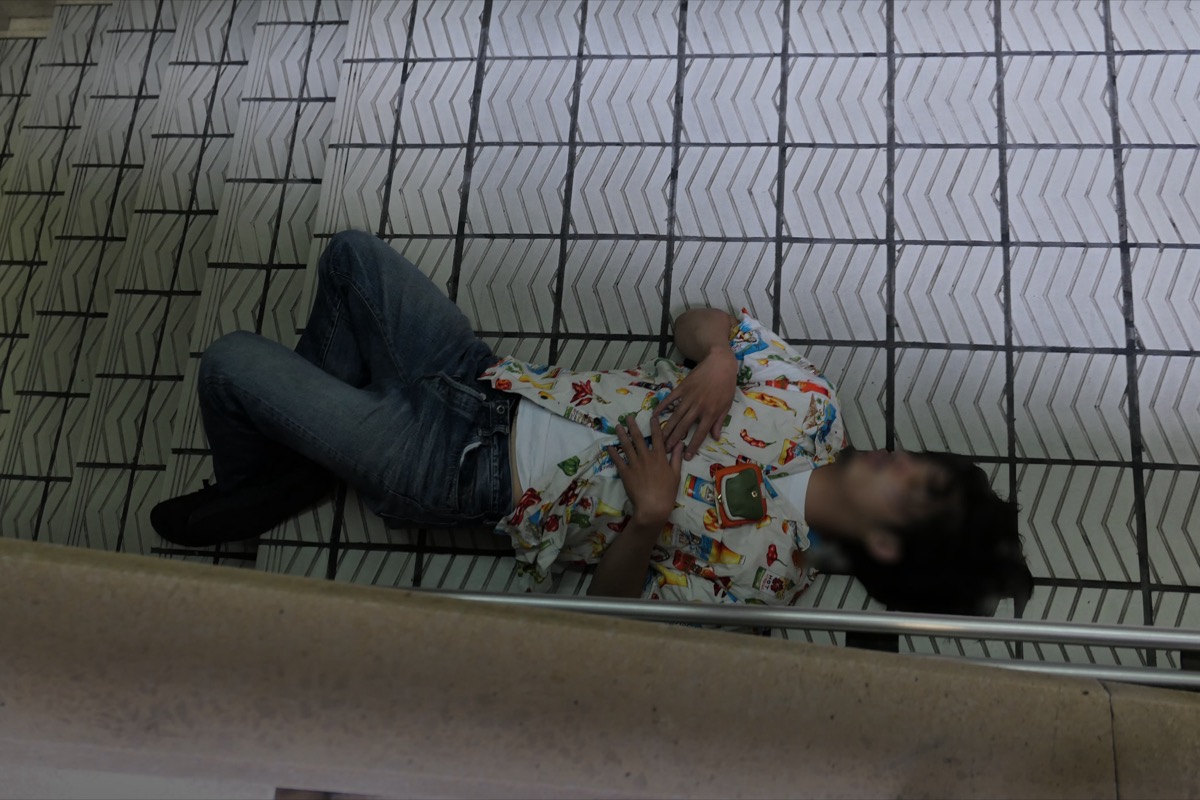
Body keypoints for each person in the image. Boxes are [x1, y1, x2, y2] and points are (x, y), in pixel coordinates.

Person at [152, 230, 1033, 617]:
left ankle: (256, 483)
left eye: (914, 488)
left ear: (885, 544)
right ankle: (298, 464)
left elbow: (613, 617)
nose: (901, 459)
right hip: (490, 379)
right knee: (351, 254)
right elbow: (689, 324)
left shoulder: (766, 577)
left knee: (230, 361)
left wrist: (649, 519)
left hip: (459, 470)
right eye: (924, 462)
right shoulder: (811, 404)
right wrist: (722, 357)